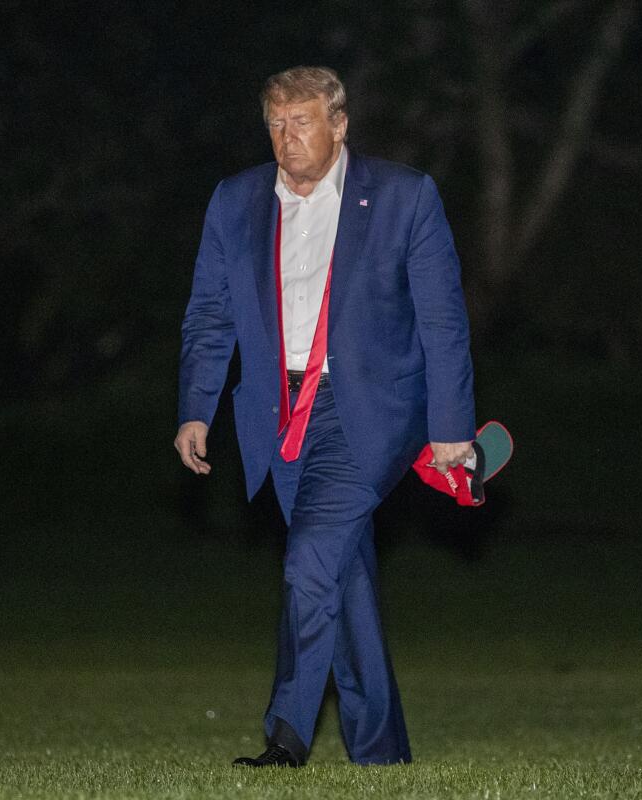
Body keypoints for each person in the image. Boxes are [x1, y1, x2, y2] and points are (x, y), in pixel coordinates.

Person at [174, 66, 475, 767]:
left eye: (302, 122)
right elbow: (210, 314)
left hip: (367, 409)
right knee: (343, 577)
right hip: (278, 413)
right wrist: (196, 407)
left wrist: (452, 427)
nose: (287, 139)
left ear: (339, 124)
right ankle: (380, 750)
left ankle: (285, 735)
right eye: (276, 125)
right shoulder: (236, 200)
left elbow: (442, 320)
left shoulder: (404, 196)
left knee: (309, 560)